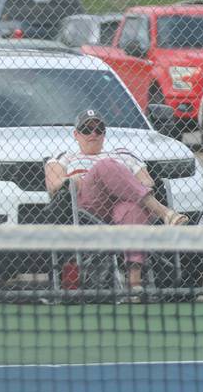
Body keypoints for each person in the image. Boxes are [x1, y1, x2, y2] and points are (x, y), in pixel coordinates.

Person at [45, 109, 188, 288]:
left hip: (122, 203)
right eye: (86, 129)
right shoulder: (65, 156)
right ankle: (165, 213)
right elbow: (53, 186)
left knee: (132, 208)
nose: (93, 134)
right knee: (104, 165)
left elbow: (147, 182)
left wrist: (121, 183)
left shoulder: (123, 153)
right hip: (88, 205)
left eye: (99, 129)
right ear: (76, 134)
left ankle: (134, 281)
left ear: (104, 133)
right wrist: (71, 179)